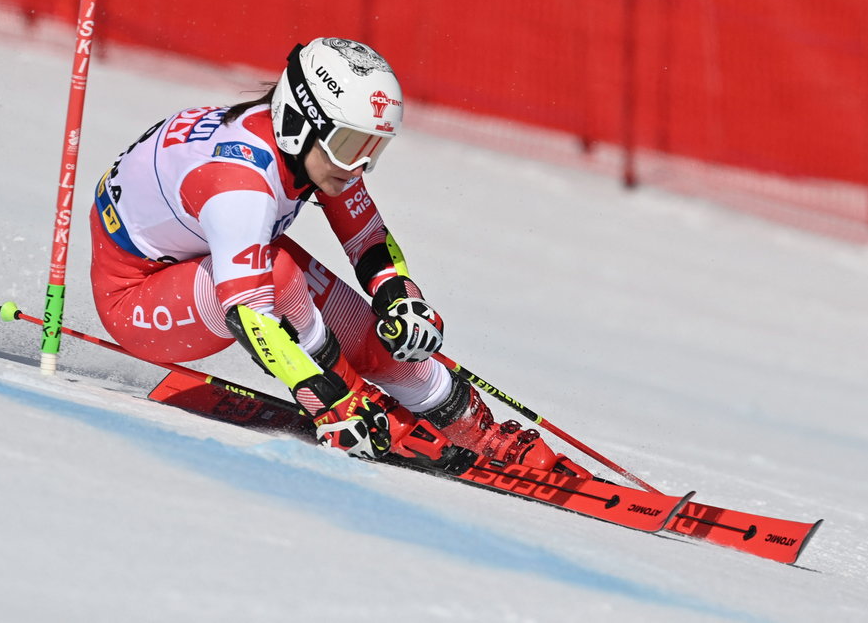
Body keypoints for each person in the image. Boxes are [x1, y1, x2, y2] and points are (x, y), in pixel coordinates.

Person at [89, 37, 558, 471]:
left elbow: (368, 238)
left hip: (206, 270)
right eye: (351, 145)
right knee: (279, 273)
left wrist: (401, 300)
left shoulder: (313, 151)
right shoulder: (240, 185)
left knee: (366, 331)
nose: (359, 165)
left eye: (373, 148)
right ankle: (358, 402)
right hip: (136, 299)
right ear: (298, 119)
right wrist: (326, 400)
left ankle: (466, 421)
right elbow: (250, 316)